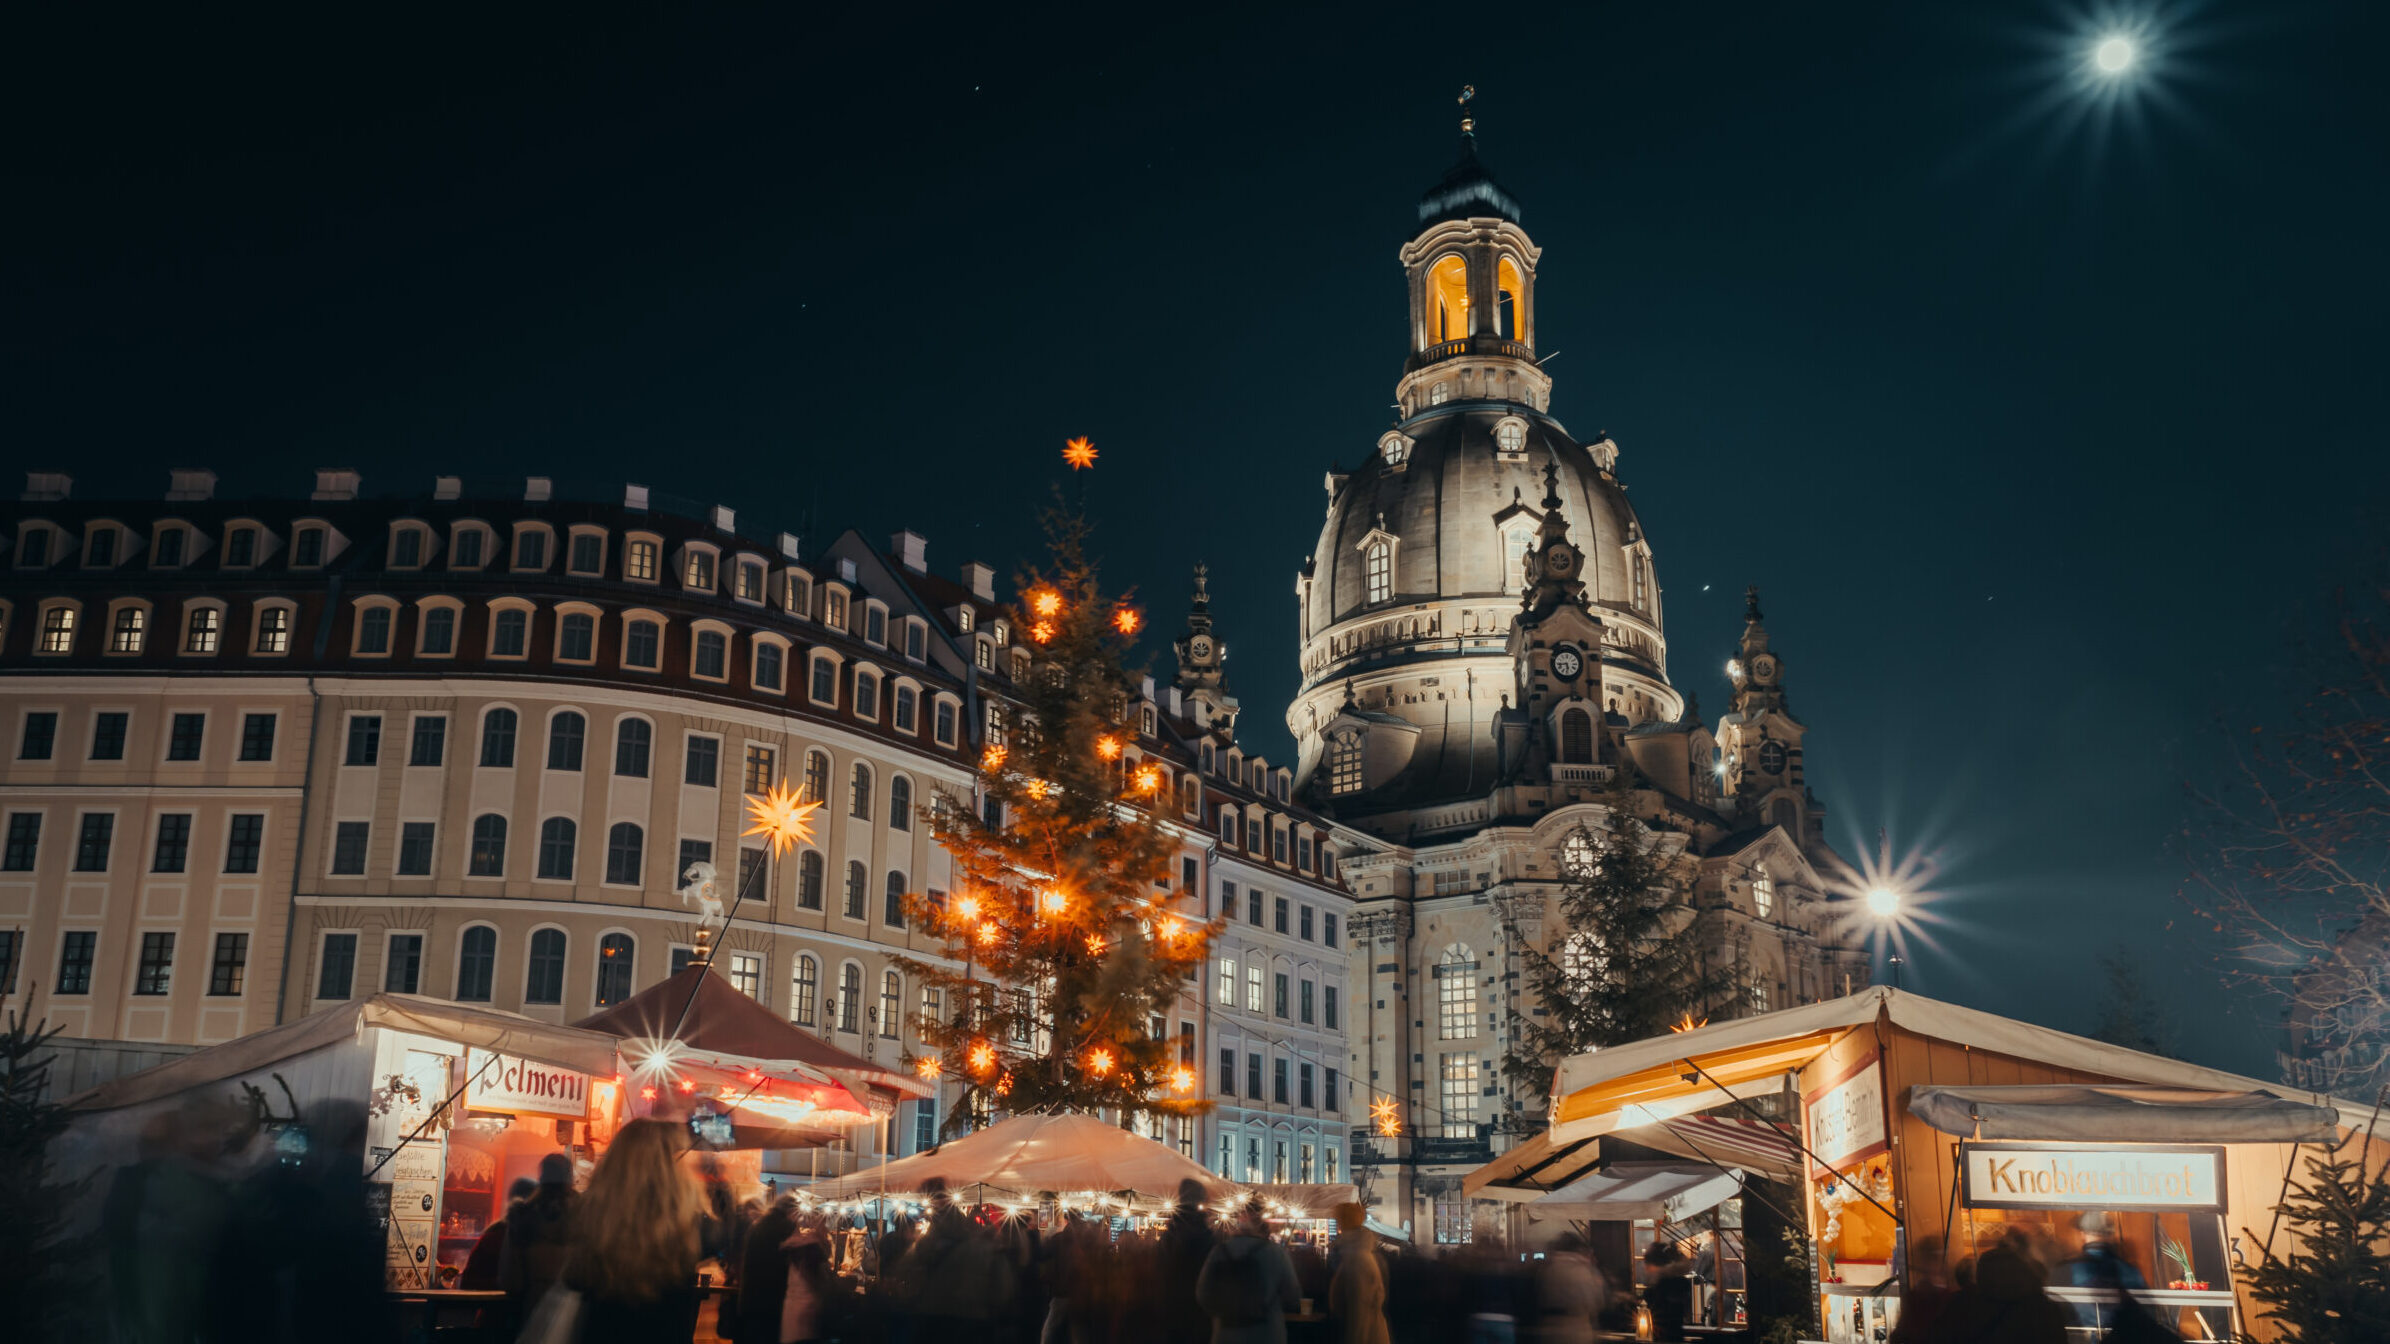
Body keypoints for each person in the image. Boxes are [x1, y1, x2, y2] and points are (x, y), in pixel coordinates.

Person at [564, 1119, 706, 1344]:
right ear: (668, 1169)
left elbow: (574, 1278)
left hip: (601, 1333)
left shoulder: (591, 1214)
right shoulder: (686, 1224)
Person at [1197, 1197, 1301, 1344]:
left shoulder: (1219, 1251)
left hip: (1226, 1333)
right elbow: (1293, 1295)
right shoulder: (1276, 1252)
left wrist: (1224, 1311)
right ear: (1263, 1223)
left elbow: (1203, 1294)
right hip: (1267, 1333)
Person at [500, 1152, 579, 1338]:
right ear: (571, 1178)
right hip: (576, 1315)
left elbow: (511, 1280)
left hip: (533, 1313)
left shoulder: (522, 1217)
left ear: (541, 1178)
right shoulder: (590, 1217)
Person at [1158, 1180, 1222, 1344]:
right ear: (1201, 1200)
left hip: (1169, 1314)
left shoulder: (1169, 1235)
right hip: (1200, 1316)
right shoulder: (1206, 1236)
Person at [731, 1195, 801, 1344]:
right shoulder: (786, 1227)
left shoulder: (759, 1224)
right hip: (771, 1302)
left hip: (750, 1300)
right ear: (791, 1211)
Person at [1326, 1204, 1390, 1344]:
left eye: (1338, 1219)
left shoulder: (1357, 1259)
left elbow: (1359, 1313)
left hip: (1366, 1336)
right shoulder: (1357, 1253)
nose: (1337, 1224)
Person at [460, 1177, 538, 1291]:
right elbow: (468, 1282)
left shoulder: (493, 1234)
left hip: (493, 1307)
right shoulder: (497, 1236)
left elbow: (467, 1282)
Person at [1529, 1232, 1604, 1344]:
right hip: (1577, 1328)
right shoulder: (1583, 1270)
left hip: (1548, 1329)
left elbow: (1537, 1295)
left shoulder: (1545, 1269)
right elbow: (1596, 1302)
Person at [1643, 1241, 1694, 1344]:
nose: (1646, 1268)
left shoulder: (1660, 1285)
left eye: (1648, 1264)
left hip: (1663, 1336)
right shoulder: (1679, 1282)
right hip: (1675, 1334)